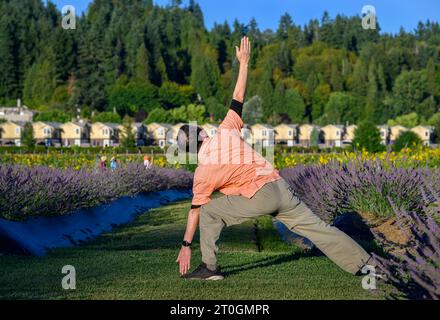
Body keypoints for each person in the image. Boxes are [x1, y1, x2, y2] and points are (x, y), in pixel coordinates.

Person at [176, 37, 374, 281]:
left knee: (210, 213)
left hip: (261, 197)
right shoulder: (226, 128)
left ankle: (210, 267)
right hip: (281, 188)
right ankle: (368, 265)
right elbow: (238, 95)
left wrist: (186, 245)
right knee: (318, 229)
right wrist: (244, 63)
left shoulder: (203, 171)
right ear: (203, 133)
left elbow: (195, 212)